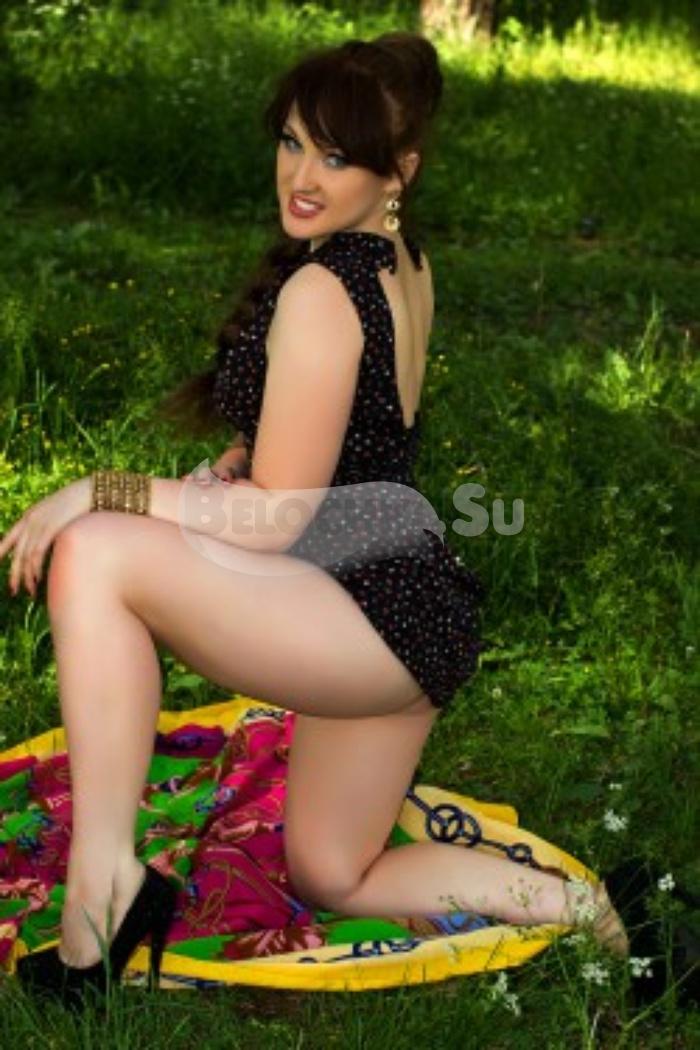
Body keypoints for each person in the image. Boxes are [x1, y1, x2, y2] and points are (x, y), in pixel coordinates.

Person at [1, 31, 630, 1008]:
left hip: (362, 612)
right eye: (292, 143)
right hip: (410, 617)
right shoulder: (397, 261)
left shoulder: (320, 291)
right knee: (337, 874)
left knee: (94, 550)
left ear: (397, 172)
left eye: (336, 157)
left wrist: (100, 487)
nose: (301, 176)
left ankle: (104, 897)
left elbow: (274, 519)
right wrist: (237, 463)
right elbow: (351, 441)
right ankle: (595, 911)